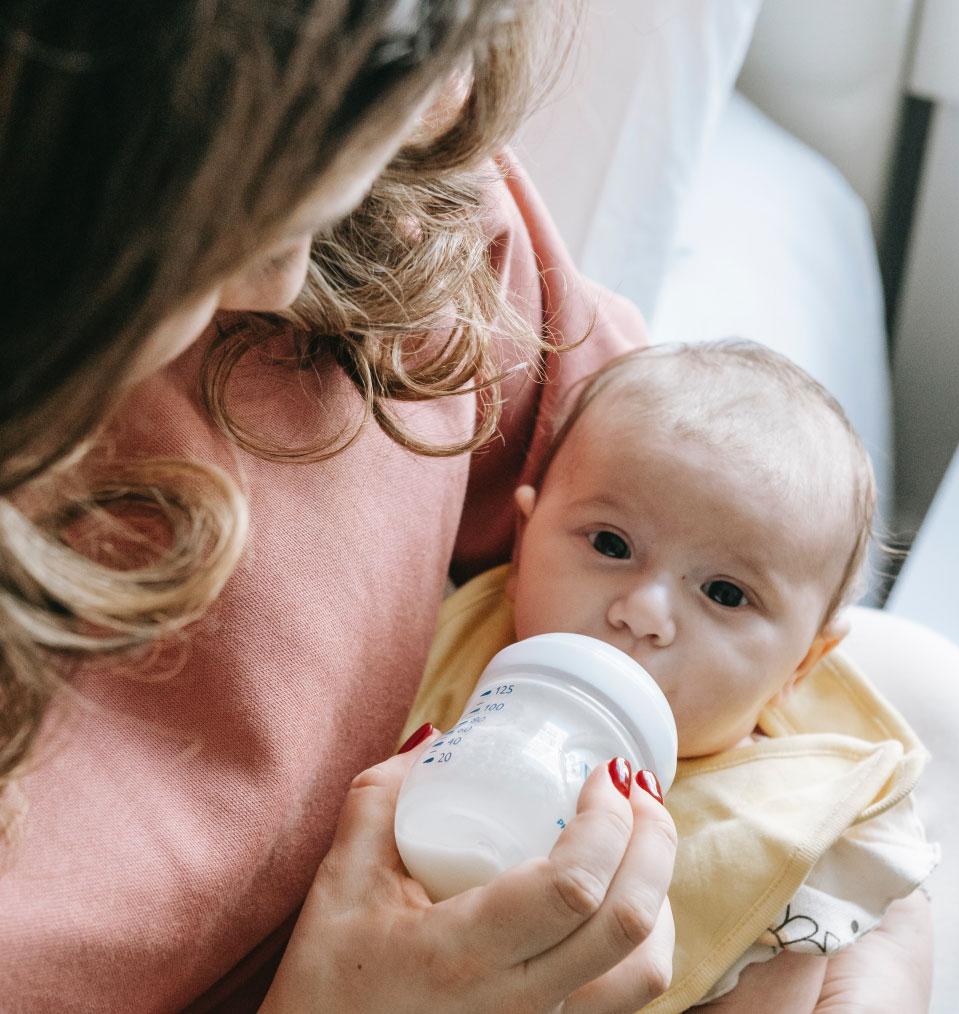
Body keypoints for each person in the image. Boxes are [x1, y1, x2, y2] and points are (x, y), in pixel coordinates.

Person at [0, 2, 679, 1011]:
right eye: (234, 212)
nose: (282, 276)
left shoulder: (387, 197)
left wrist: (846, 916)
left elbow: (732, 519)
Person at [402, 340, 939, 1013]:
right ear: (522, 544)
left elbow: (892, 951)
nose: (645, 613)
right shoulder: (431, 647)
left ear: (797, 668)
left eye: (724, 592)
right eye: (610, 544)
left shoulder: (789, 835)